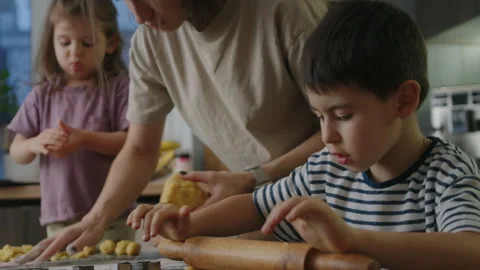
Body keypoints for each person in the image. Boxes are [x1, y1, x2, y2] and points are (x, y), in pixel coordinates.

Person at [125, 1, 480, 269]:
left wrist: (354, 240)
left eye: (342, 115)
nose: (327, 136)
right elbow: (255, 206)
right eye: (318, 116)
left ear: (404, 100)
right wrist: (187, 223)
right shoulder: (326, 170)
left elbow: (471, 249)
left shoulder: (447, 174)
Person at [17, 0, 329, 264]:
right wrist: (95, 219)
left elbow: (344, 129)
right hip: (256, 213)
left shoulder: (286, 11)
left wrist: (254, 177)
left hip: (335, 207)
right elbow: (139, 149)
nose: (138, 15)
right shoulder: (150, 41)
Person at [8, 0, 133, 251]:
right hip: (59, 219)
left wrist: (84, 138)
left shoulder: (119, 88)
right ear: (51, 42)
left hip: (112, 218)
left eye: (87, 43)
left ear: (110, 44)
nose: (74, 53)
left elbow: (132, 145)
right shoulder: (43, 94)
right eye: (64, 42)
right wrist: (36, 142)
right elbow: (17, 151)